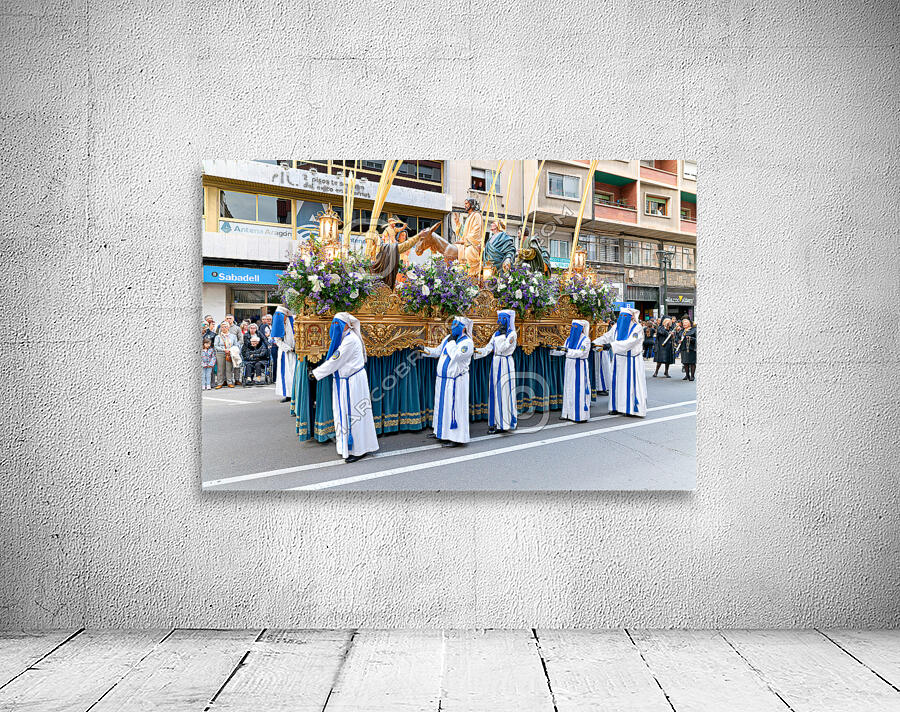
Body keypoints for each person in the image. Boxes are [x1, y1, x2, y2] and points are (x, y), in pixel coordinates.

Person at [311, 312, 379, 463]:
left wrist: (316, 373)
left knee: (354, 414)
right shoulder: (347, 338)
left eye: (337, 324)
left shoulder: (350, 340)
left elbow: (336, 361)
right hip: (349, 381)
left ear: (346, 325)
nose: (334, 328)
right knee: (355, 414)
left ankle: (358, 449)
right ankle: (357, 446)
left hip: (352, 383)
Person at [421, 316, 475, 447]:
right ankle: (440, 432)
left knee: (454, 408)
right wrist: (423, 349)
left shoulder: (467, 343)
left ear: (463, 328)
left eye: (455, 325)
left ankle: (456, 438)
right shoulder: (449, 338)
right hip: (443, 379)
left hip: (457, 381)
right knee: (441, 406)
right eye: (452, 324)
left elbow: (456, 355)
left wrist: (451, 342)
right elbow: (438, 351)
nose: (452, 327)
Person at [597, 307, 647, 416]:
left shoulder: (637, 328)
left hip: (631, 361)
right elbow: (607, 337)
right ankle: (616, 407)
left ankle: (630, 409)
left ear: (632, 317)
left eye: (626, 316)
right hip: (618, 360)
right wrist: (595, 343)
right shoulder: (616, 327)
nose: (623, 319)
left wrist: (611, 345)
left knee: (629, 384)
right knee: (616, 384)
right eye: (621, 316)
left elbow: (630, 343)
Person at [474, 309, 518, 434]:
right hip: (496, 363)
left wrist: (501, 336)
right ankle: (494, 422)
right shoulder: (497, 334)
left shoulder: (512, 334)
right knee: (494, 391)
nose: (500, 322)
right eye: (499, 319)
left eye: (503, 319)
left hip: (505, 363)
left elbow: (502, 347)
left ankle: (504, 423)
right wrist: (476, 351)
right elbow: (489, 348)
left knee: (504, 391)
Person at [552, 319, 592, 422]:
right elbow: (563, 351)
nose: (573, 329)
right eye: (572, 327)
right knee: (568, 388)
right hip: (569, 365)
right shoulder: (569, 339)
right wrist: (553, 350)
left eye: (576, 327)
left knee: (578, 388)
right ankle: (567, 413)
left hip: (579, 365)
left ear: (582, 329)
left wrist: (567, 350)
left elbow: (580, 353)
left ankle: (580, 415)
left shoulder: (586, 340)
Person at [272, 304, 296, 402]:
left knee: (294, 373)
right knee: (286, 374)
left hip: (295, 352)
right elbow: (278, 341)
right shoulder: (278, 325)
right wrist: (289, 349)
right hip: (285, 353)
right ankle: (288, 394)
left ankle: (295, 393)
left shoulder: (292, 321)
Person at [458, 198, 484, 278]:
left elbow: (476, 231)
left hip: (474, 244)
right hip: (467, 243)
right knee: (459, 249)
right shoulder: (469, 217)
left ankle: (472, 276)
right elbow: (464, 233)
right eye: (465, 204)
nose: (465, 206)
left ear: (472, 204)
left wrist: (465, 240)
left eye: (467, 204)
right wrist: (458, 224)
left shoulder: (476, 215)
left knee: (469, 252)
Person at [213, 323, 238, 388]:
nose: (224, 328)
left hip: (230, 353)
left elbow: (236, 345)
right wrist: (224, 350)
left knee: (229, 368)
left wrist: (230, 350)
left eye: (225, 327)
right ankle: (219, 383)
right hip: (220, 353)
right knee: (220, 369)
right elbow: (216, 346)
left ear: (228, 328)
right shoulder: (218, 337)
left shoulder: (233, 336)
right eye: (222, 327)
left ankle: (229, 382)